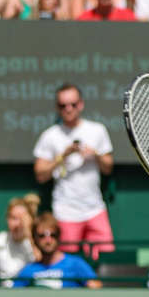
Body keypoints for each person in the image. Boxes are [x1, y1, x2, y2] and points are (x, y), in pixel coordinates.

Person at [32, 83, 116, 259]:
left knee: (106, 258)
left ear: (81, 104)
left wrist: (96, 153)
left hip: (95, 208)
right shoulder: (50, 135)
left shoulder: (97, 130)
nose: (68, 109)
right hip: (65, 211)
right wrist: (62, 156)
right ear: (57, 107)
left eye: (73, 104)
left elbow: (108, 167)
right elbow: (40, 174)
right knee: (66, 262)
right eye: (63, 105)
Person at [13, 214, 103, 288]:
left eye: (53, 235)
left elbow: (96, 287)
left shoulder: (75, 263)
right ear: (35, 239)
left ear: (59, 236)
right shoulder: (29, 270)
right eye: (42, 236)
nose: (48, 240)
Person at [0, 194, 40, 287]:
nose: (17, 224)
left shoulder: (38, 239)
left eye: (22, 219)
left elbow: (41, 263)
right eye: (13, 218)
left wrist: (29, 234)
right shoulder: (0, 240)